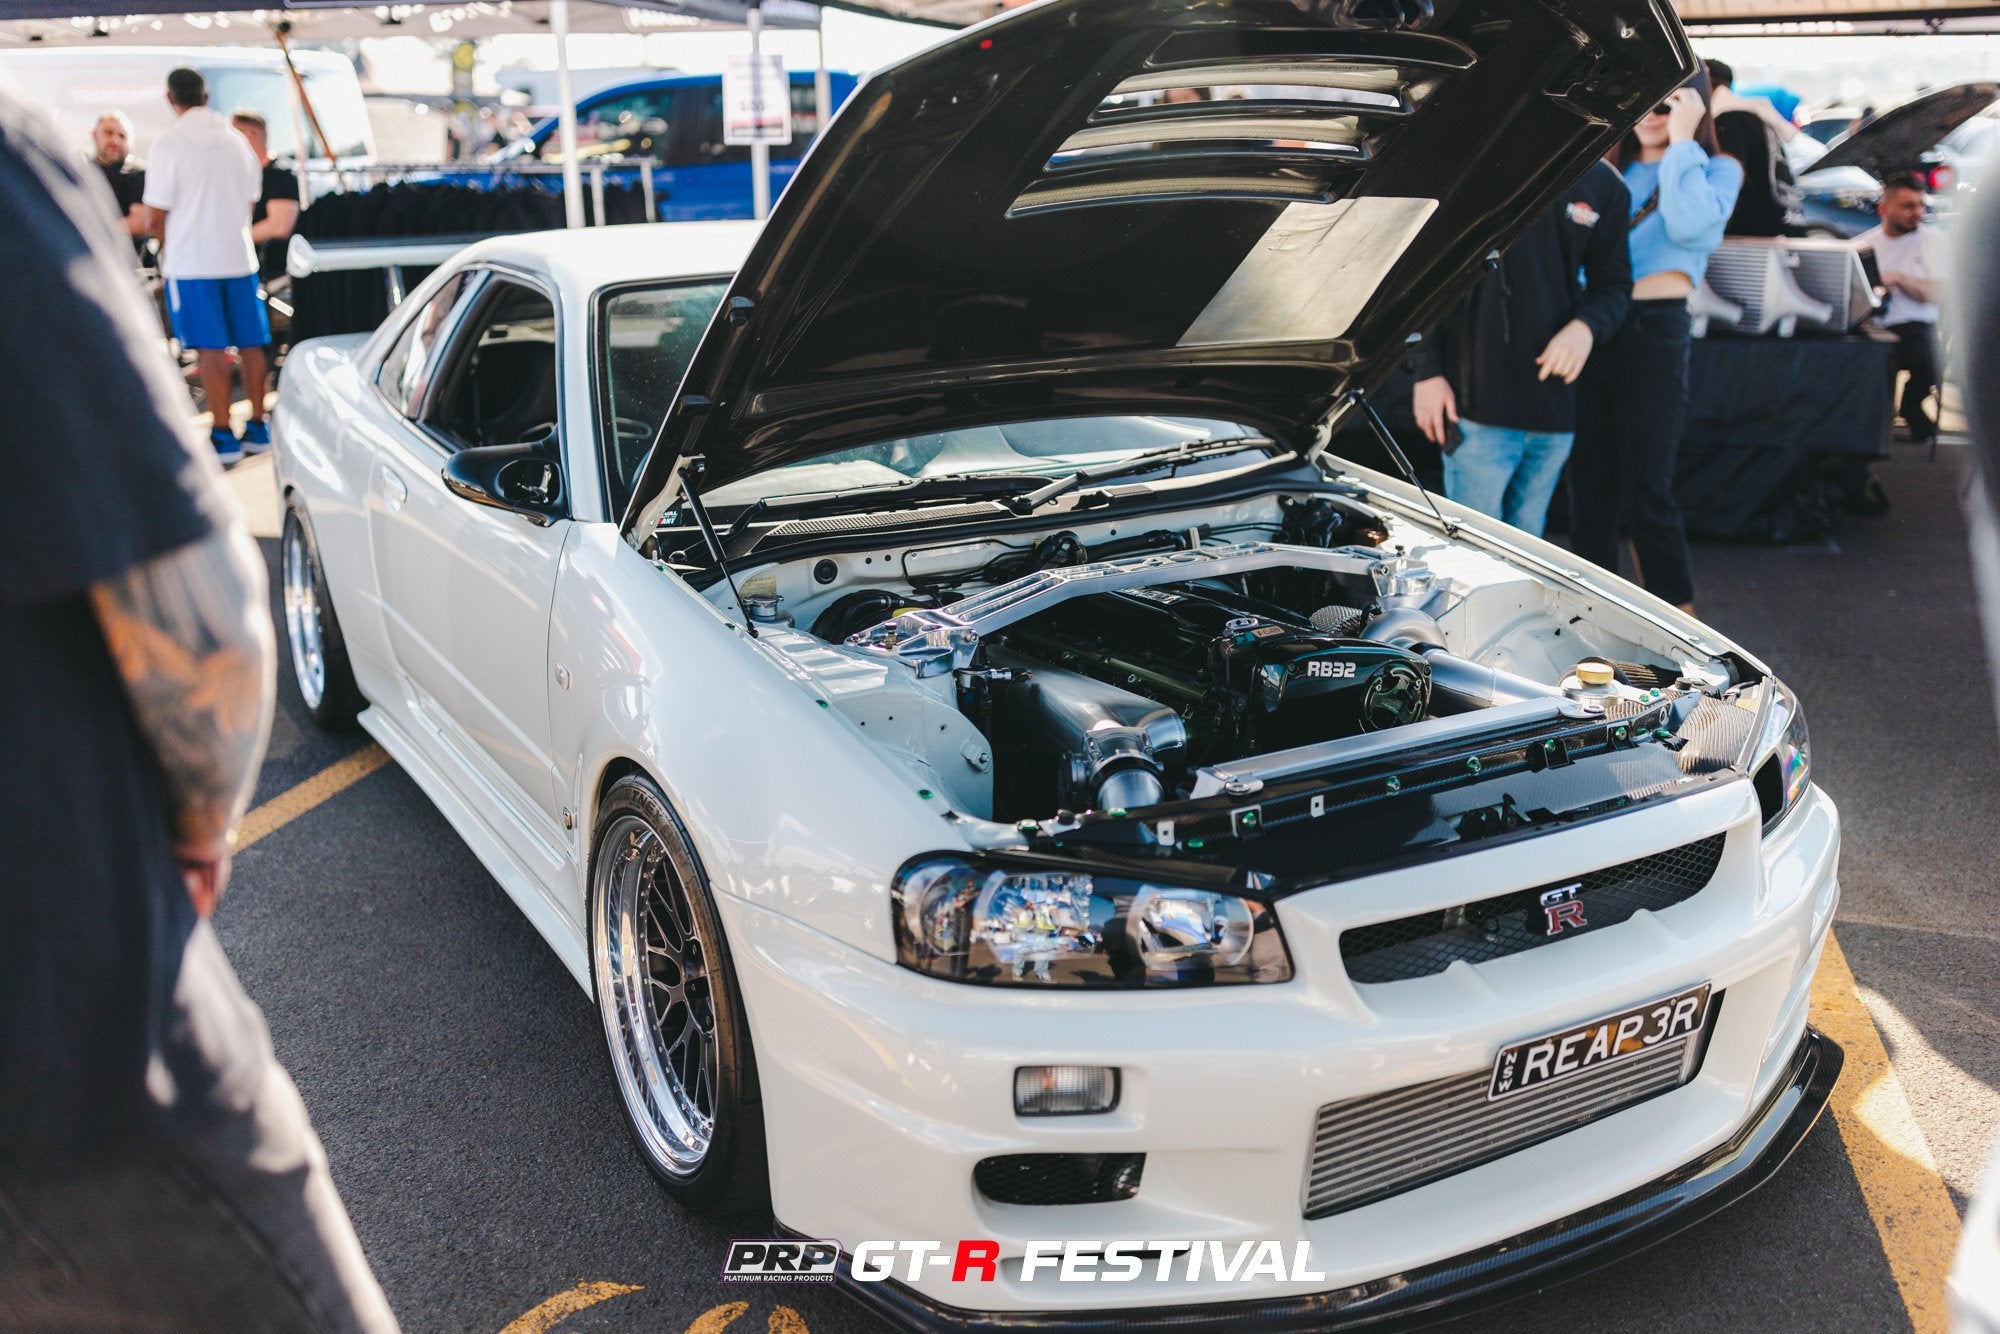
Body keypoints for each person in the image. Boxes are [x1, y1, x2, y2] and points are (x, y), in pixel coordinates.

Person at [0, 89, 398, 1333]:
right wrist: (198, 824)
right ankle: (240, 417)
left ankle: (235, 414)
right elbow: (203, 612)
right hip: (70, 1052)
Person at [1569, 74, 1741, 615]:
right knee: (1589, 483)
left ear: (1692, 106)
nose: (1650, 114)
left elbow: (1692, 228)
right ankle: (1592, 614)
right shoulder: (1607, 170)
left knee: (1649, 485)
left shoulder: (1716, 169)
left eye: (1666, 104)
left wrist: (1684, 142)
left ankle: (1678, 625)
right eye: (1642, 102)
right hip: (1592, 323)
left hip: (1655, 326)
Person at [1408, 161, 1631, 536]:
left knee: (1525, 551)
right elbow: (1420, 274)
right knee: (1475, 552)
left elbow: (1615, 287)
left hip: (1554, 413)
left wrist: (1586, 328)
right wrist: (1425, 370)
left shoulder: (1603, 184)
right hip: (1476, 410)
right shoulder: (1479, 161)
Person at [142, 67, 271, 465]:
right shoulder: (237, 142)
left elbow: (155, 216)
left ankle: (222, 434)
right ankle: (258, 425)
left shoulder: (168, 145)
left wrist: (170, 244)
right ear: (207, 95)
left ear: (170, 98)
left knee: (210, 350)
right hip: (238, 257)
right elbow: (250, 201)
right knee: (251, 344)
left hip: (193, 263)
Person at [1856, 175, 1945, 447]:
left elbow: (1938, 293)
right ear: (1884, 209)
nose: (1917, 212)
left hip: (1915, 325)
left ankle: (1911, 405)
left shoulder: (1934, 241)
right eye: (1908, 206)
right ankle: (1873, 428)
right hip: (1874, 326)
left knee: (1929, 359)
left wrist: (1899, 279)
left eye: (1921, 205)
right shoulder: (1863, 245)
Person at [1706, 58, 1802, 238]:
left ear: (1707, 82)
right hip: (1781, 220)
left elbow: (1731, 179)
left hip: (1754, 232)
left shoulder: (1729, 119)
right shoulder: (1754, 114)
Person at [231, 107, 301, 282]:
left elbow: (280, 226)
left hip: (271, 269)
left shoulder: (280, 174)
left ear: (250, 135)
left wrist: (232, 240)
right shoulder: (243, 173)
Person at [89, 109, 149, 251]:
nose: (115, 141)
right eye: (108, 133)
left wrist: (95, 234)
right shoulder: (82, 170)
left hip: (123, 258)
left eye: (122, 136)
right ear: (94, 135)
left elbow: (141, 221)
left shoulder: (138, 173)